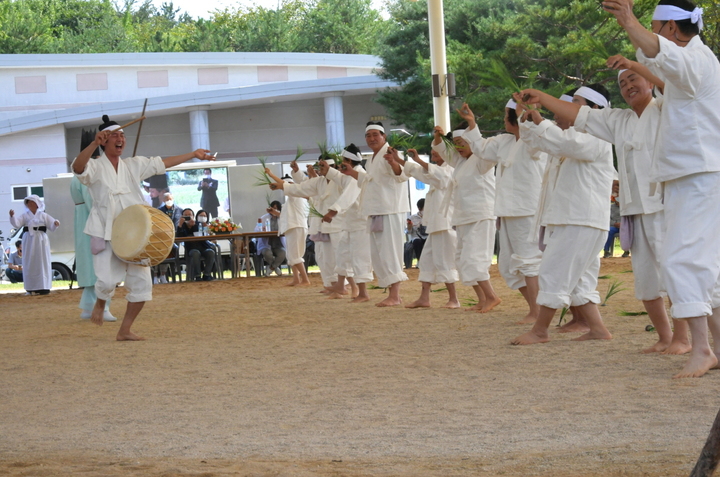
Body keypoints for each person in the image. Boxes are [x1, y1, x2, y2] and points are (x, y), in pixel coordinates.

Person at [603, 0, 719, 378]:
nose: (650, 33)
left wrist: (627, 18)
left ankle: (700, 347)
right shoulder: (694, 64)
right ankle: (711, 346)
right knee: (705, 267)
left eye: (654, 26)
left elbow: (659, 55)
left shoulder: (697, 61)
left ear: (670, 29)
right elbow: (656, 60)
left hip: (699, 175)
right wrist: (633, 44)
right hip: (695, 175)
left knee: (680, 260)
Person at [72, 114, 215, 341]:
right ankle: (100, 303)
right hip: (106, 230)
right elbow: (78, 167)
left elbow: (162, 163)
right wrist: (93, 144)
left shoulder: (133, 165)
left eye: (123, 136)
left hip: (135, 232)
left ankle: (125, 330)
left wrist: (194, 154)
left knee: (142, 285)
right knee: (108, 281)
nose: (121, 139)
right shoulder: (95, 166)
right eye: (115, 136)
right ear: (105, 140)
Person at [510, 84, 615, 346]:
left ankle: (540, 331)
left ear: (595, 109)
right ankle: (598, 328)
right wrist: (528, 116)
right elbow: (538, 141)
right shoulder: (572, 138)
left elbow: (563, 142)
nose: (565, 107)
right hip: (576, 219)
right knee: (579, 278)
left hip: (580, 219)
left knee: (554, 272)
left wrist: (541, 120)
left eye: (575, 101)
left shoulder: (596, 137)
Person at [431, 118, 500, 313]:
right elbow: (442, 150)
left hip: (480, 215)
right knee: (462, 259)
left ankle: (492, 296)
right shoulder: (460, 161)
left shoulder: (482, 159)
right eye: (456, 144)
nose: (458, 148)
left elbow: (486, 151)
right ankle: (482, 298)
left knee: (474, 257)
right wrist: (438, 136)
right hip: (463, 216)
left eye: (463, 143)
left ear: (473, 141)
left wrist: (471, 124)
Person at [343, 122, 410, 307]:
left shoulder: (391, 153)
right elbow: (370, 181)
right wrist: (352, 173)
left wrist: (395, 162)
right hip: (375, 210)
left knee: (390, 252)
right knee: (378, 253)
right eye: (368, 135)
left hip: (390, 209)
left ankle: (395, 295)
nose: (372, 138)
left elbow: (402, 175)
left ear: (384, 136)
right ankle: (392, 293)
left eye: (375, 135)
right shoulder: (371, 158)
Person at [398, 149, 461, 309]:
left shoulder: (450, 170)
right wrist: (397, 160)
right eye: (432, 153)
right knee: (426, 261)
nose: (433, 155)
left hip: (445, 224)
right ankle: (424, 298)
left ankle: (454, 299)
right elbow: (420, 172)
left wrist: (418, 159)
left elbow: (438, 175)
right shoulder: (435, 172)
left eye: (437, 152)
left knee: (444, 260)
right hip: (436, 225)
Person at [71, 133, 117, 321]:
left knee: (91, 265)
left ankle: (88, 307)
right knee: (99, 266)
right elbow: (95, 202)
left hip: (83, 220)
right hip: (93, 222)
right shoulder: (89, 173)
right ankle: (101, 308)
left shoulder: (79, 172)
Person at [322, 144, 374, 302]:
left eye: (343, 160)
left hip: (360, 224)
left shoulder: (358, 174)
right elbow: (341, 178)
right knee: (342, 254)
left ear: (348, 161)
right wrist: (328, 170)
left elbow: (349, 194)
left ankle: (363, 293)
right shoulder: (351, 174)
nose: (341, 163)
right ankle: (340, 286)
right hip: (350, 223)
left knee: (359, 258)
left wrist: (333, 211)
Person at [265, 164, 311, 286]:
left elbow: (284, 185)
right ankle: (296, 279)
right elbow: (287, 215)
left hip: (297, 227)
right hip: (293, 226)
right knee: (291, 255)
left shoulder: (295, 193)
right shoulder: (291, 199)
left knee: (295, 254)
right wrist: (275, 213)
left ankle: (305, 280)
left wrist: (271, 175)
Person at [9, 195, 60, 295]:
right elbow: (17, 224)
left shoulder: (43, 215)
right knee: (29, 261)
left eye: (32, 202)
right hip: (29, 240)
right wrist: (12, 217)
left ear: (37, 204)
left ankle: (43, 286)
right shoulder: (25, 215)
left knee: (42, 261)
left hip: (40, 240)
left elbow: (52, 225)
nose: (30, 204)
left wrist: (56, 223)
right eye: (28, 203)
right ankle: (30, 287)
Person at [176, 208, 216, 281]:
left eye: (190, 215)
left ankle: (207, 274)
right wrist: (180, 224)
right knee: (195, 253)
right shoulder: (181, 225)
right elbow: (179, 236)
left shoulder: (198, 224)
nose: (188, 216)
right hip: (191, 248)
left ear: (193, 216)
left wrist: (194, 226)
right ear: (182, 216)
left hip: (202, 247)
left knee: (211, 252)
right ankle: (197, 276)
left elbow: (201, 235)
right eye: (186, 215)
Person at [257, 201, 287, 276]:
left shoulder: (282, 218)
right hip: (266, 244)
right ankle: (275, 267)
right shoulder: (264, 218)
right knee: (267, 253)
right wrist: (262, 229)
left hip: (278, 244)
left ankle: (271, 268)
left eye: (276, 209)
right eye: (273, 208)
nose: (274, 211)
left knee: (282, 253)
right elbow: (257, 229)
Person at [405, 198, 427, 269]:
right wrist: (410, 226)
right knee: (418, 242)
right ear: (419, 208)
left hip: (427, 236)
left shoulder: (430, 216)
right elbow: (408, 232)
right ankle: (420, 261)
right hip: (416, 237)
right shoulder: (412, 217)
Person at [604, 180, 622, 258]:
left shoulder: (626, 208)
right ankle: (606, 251)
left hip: (624, 226)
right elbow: (607, 219)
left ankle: (626, 251)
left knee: (628, 230)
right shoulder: (610, 207)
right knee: (609, 230)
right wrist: (615, 223)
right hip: (614, 226)